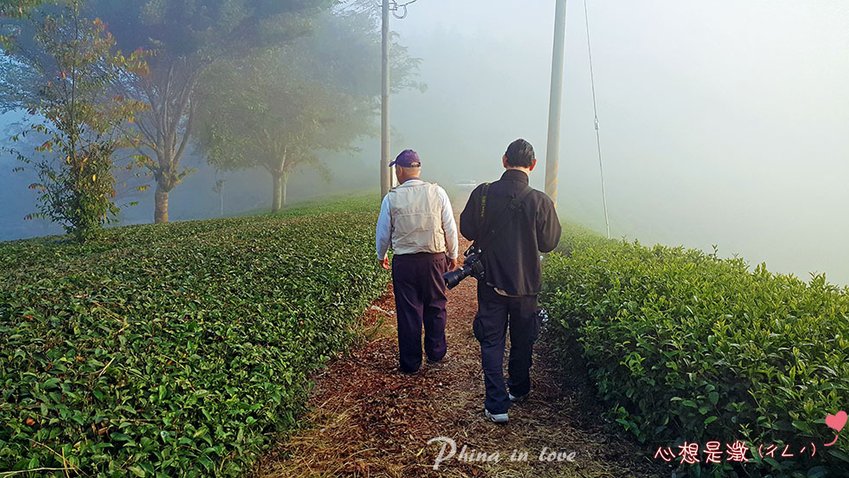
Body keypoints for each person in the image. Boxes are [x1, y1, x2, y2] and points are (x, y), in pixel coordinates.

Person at [459, 138, 562, 423]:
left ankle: (496, 405)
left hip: (491, 282)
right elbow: (549, 243)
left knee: (491, 343)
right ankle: (518, 388)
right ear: (533, 165)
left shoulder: (483, 193)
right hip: (527, 287)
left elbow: (467, 229)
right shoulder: (541, 201)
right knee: (522, 339)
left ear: (504, 160)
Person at [376, 149, 459, 374]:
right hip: (434, 259)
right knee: (436, 305)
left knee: (408, 311)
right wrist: (453, 254)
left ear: (400, 170)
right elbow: (450, 226)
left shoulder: (391, 197)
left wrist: (381, 255)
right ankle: (436, 352)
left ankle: (411, 363)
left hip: (405, 262)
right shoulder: (437, 192)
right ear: (418, 169)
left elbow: (383, 232)